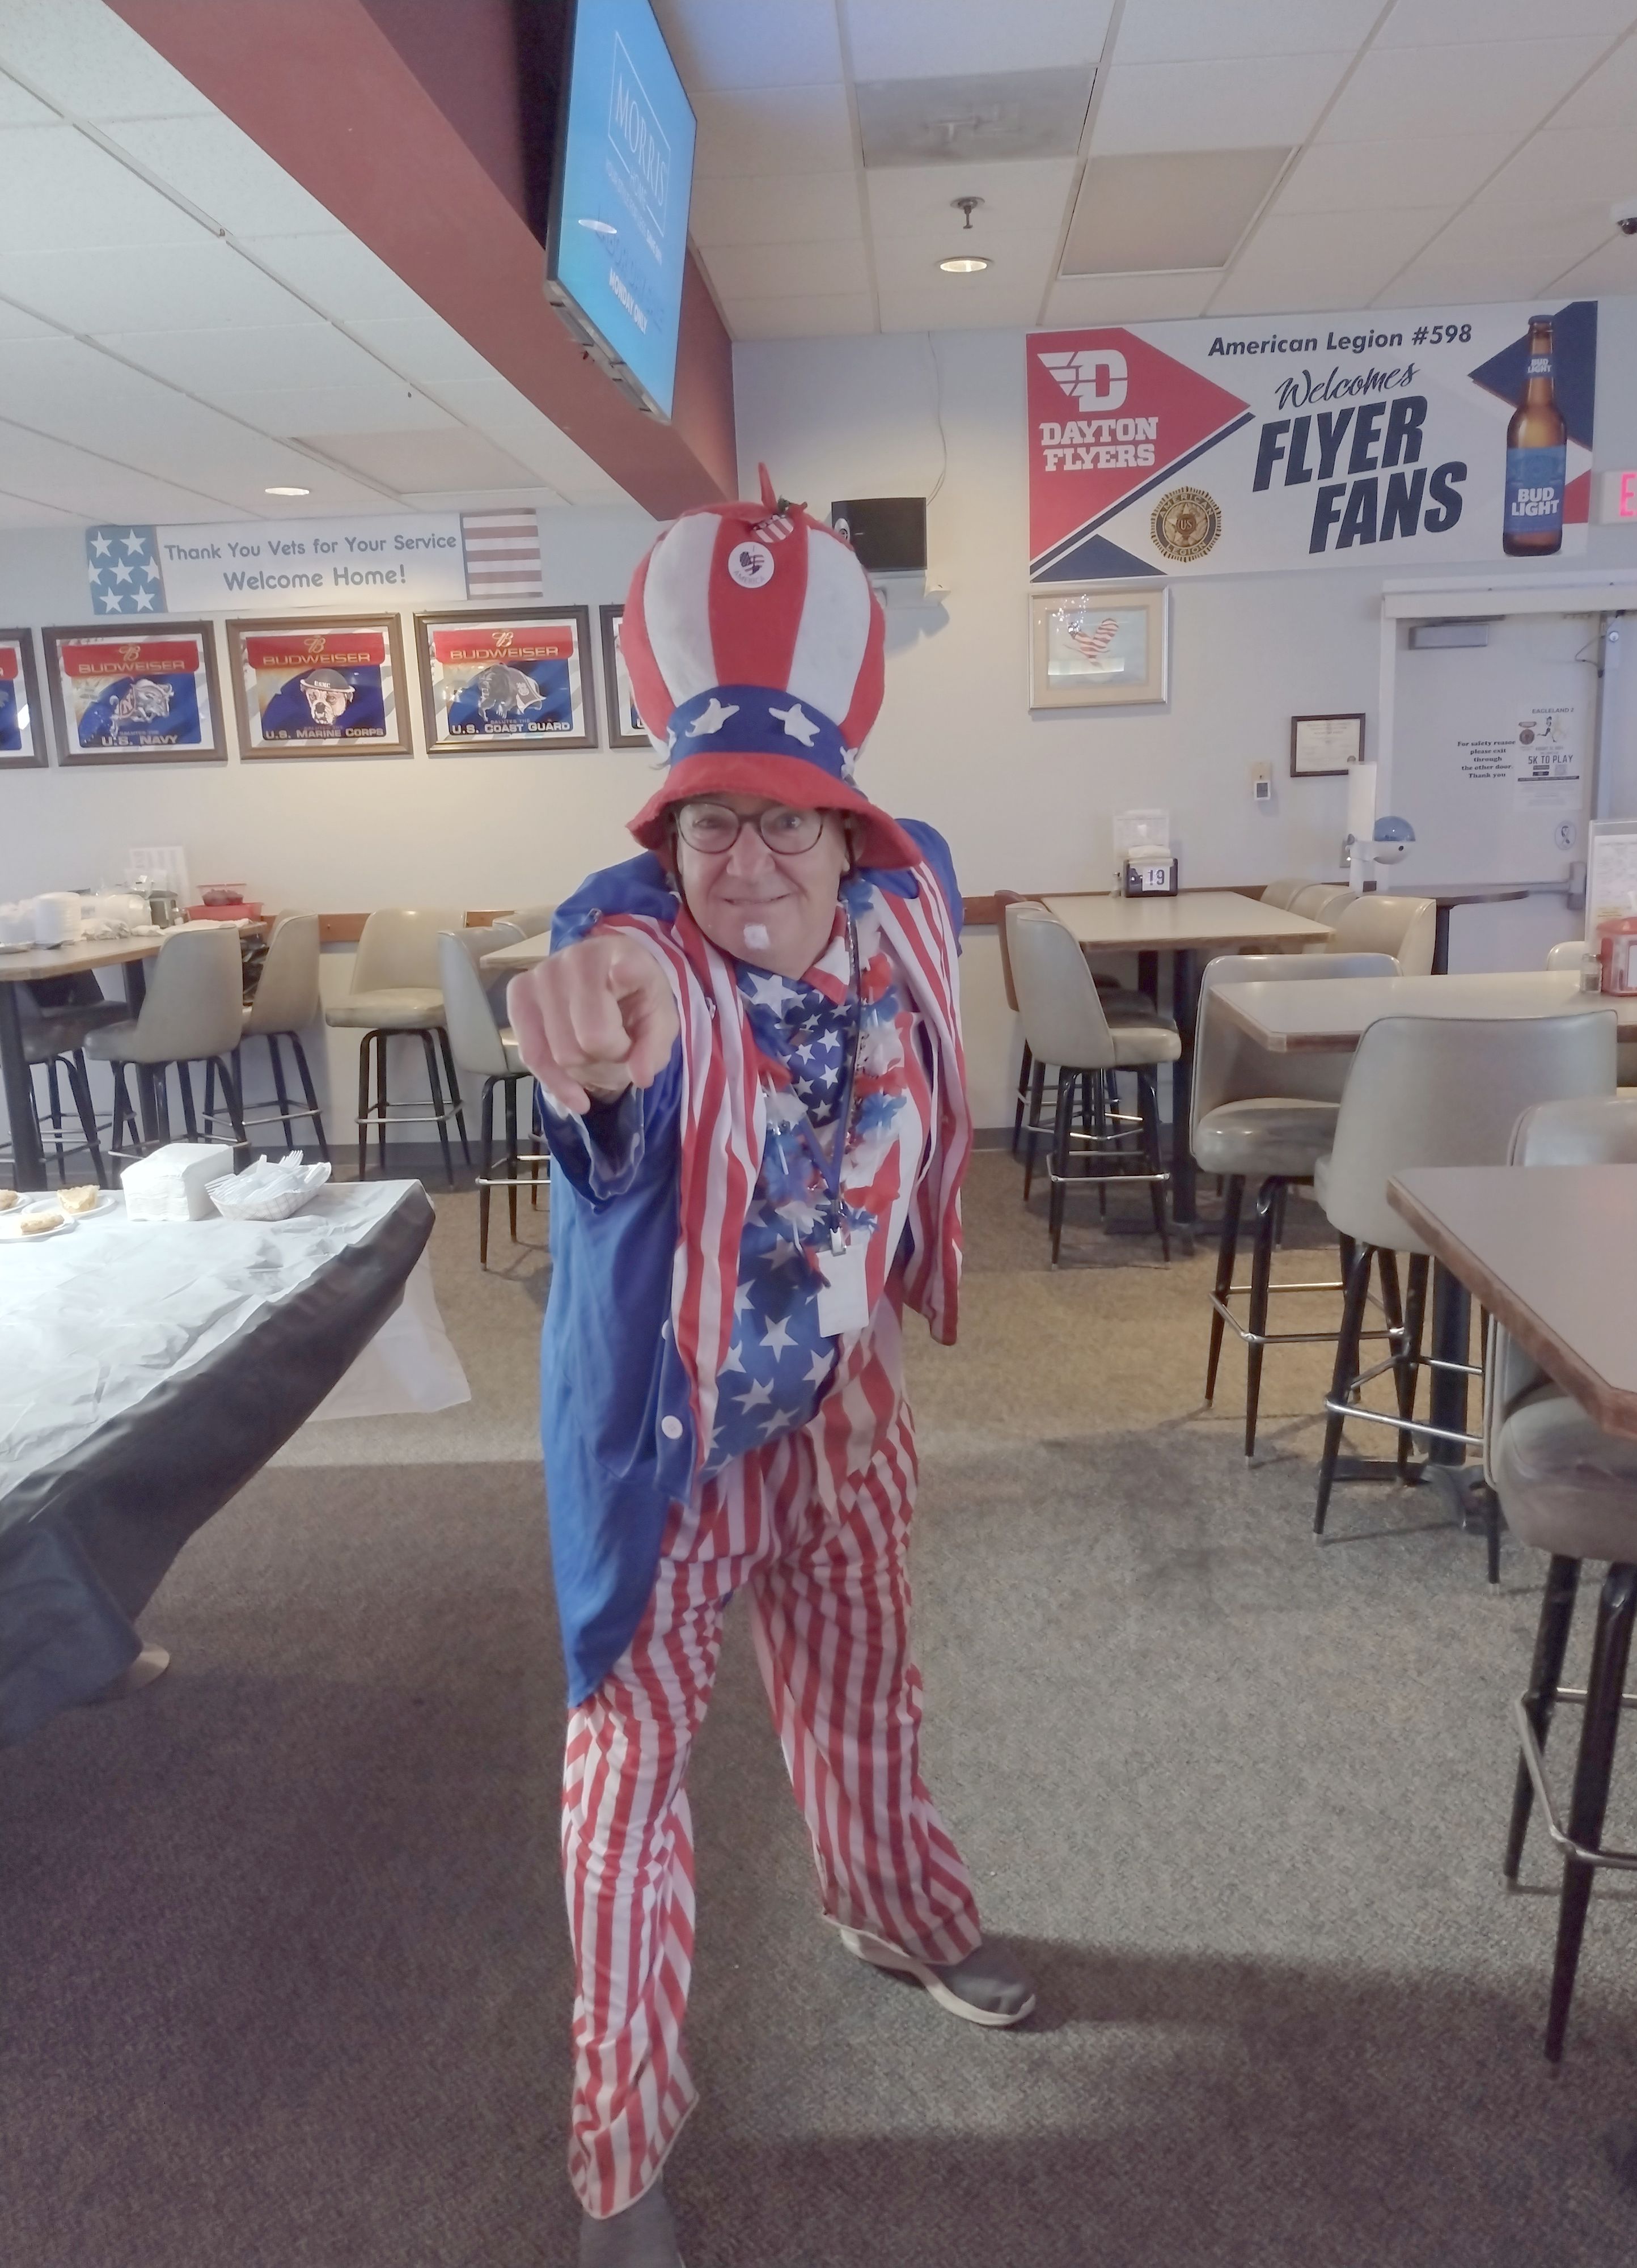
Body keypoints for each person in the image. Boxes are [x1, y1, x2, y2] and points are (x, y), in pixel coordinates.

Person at [508, 476, 1034, 2268]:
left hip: (841, 1410)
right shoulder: (642, 951)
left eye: (786, 820)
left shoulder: (911, 892)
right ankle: (622, 2148)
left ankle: (896, 1912)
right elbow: (611, 978)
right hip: (667, 1451)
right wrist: (590, 1015)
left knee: (867, 1690)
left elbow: (914, 862)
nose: (745, 864)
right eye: (707, 822)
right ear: (665, 839)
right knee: (628, 1787)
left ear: (848, 829)